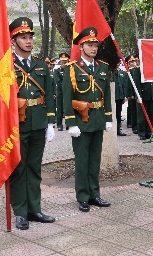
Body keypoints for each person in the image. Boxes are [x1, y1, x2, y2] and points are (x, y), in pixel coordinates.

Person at [7, 18, 56, 230]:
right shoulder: (6, 66)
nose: (28, 41)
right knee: (18, 169)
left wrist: (51, 122)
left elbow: (49, 95)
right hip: (16, 124)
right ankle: (20, 211)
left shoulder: (41, 65)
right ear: (13, 40)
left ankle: (35, 208)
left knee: (34, 168)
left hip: (38, 122)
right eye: (23, 38)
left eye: (30, 37)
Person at [62, 27, 113, 212]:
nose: (93, 48)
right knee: (82, 161)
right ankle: (83, 196)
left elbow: (106, 94)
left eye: (95, 45)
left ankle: (94, 194)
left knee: (95, 160)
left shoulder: (103, 67)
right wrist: (70, 123)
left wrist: (108, 117)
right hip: (81, 122)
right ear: (81, 47)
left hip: (98, 120)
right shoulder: (72, 69)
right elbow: (67, 97)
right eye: (90, 45)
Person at [53, 52, 70, 131]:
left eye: (65, 62)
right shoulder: (57, 70)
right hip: (60, 92)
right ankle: (59, 124)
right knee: (59, 109)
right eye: (62, 62)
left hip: (68, 93)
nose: (63, 63)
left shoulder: (70, 70)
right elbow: (58, 82)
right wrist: (65, 88)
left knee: (67, 108)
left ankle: (68, 123)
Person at [114, 61, 130, 136]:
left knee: (118, 114)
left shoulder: (122, 73)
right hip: (113, 96)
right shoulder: (111, 72)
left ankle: (118, 129)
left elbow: (124, 85)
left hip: (120, 97)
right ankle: (112, 130)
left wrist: (124, 96)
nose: (117, 63)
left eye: (118, 62)